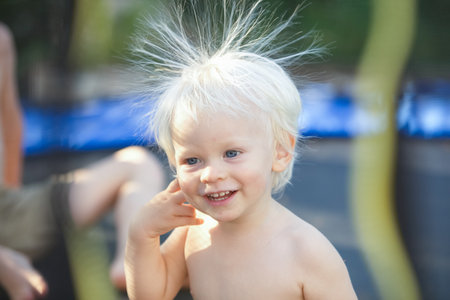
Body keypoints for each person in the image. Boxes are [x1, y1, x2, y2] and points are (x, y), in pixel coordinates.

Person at [125, 1, 357, 299]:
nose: (211, 174)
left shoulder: (306, 251)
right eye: (192, 160)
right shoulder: (194, 230)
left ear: (280, 152)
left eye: (231, 153)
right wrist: (141, 236)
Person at [0, 22, 166, 299]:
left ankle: (128, 267)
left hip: (8, 209)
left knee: (137, 165)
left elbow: (10, 127)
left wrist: (12, 212)